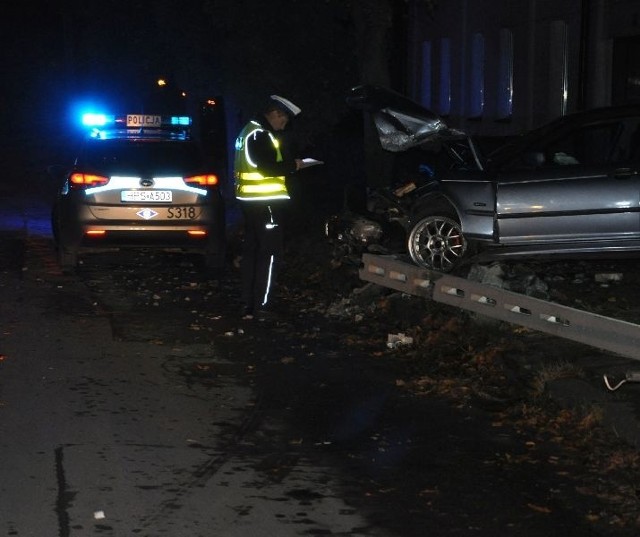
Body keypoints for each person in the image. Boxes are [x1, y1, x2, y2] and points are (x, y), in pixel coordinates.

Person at [233, 95, 304, 320]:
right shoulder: (260, 134)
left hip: (250, 202)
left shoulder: (247, 131)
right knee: (271, 254)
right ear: (275, 114)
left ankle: (248, 304)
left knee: (252, 252)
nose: (283, 126)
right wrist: (295, 165)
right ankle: (263, 305)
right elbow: (267, 168)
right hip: (266, 203)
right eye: (283, 121)